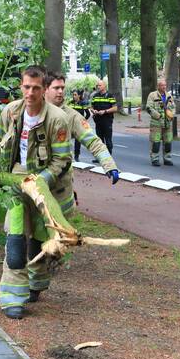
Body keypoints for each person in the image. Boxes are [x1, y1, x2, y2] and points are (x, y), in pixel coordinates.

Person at [0, 65, 72, 320]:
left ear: (44, 89)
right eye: (26, 87)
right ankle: (12, 298)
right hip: (16, 184)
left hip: (46, 187)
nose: (30, 93)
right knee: (15, 241)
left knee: (39, 242)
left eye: (36, 88)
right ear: (21, 87)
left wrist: (40, 182)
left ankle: (36, 283)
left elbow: (62, 160)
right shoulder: (10, 112)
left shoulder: (57, 119)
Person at [33, 72, 119, 298]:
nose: (61, 92)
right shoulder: (31, 112)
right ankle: (27, 279)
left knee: (54, 238)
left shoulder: (71, 116)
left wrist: (108, 164)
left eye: (63, 87)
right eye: (56, 88)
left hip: (59, 188)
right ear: (45, 89)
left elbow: (92, 141)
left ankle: (38, 282)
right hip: (32, 185)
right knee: (27, 235)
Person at [145, 79, 176, 166]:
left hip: (168, 123)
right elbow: (149, 108)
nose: (164, 87)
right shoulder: (152, 95)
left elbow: (173, 107)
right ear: (158, 86)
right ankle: (155, 159)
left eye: (165, 85)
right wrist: (158, 115)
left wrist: (171, 114)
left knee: (168, 142)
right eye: (162, 85)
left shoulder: (169, 96)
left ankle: (167, 159)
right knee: (156, 142)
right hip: (156, 124)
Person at [89, 79, 118, 155]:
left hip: (107, 120)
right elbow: (91, 107)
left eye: (100, 85)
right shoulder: (95, 96)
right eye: (97, 85)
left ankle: (109, 157)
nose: (98, 87)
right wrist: (93, 111)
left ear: (104, 86)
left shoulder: (109, 96)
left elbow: (115, 108)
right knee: (99, 140)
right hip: (98, 121)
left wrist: (105, 111)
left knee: (108, 140)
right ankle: (101, 157)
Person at [66, 89, 90, 161]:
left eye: (75, 95)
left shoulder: (82, 103)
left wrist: (83, 120)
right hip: (70, 124)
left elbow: (88, 114)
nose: (73, 96)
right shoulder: (70, 103)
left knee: (77, 141)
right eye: (73, 95)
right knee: (66, 140)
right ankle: (67, 156)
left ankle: (76, 156)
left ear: (79, 95)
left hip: (78, 125)